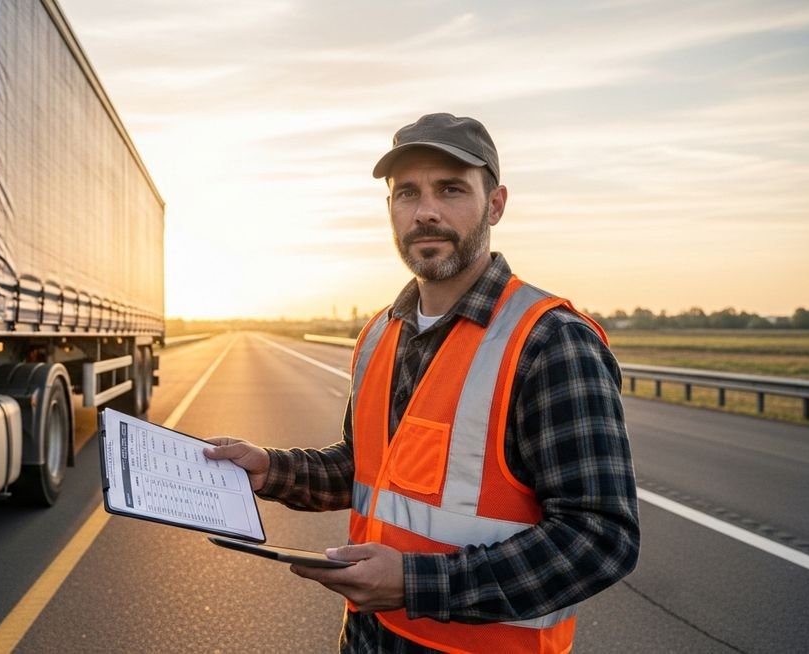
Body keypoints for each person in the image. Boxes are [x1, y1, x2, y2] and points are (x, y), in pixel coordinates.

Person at [205, 113, 639, 653]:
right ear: (390, 210)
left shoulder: (549, 342)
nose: (426, 211)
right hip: (370, 639)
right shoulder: (381, 333)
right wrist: (270, 469)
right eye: (407, 193)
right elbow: (363, 468)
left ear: (496, 204)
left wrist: (416, 584)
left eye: (451, 189)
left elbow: (601, 539)